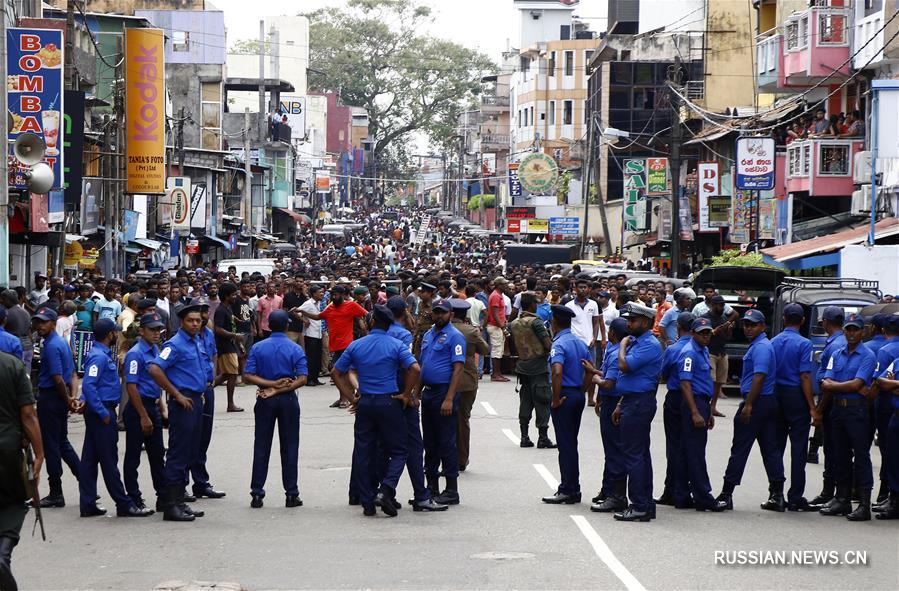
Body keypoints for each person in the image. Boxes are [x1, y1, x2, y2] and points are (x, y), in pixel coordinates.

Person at [333, 305, 420, 517]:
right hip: (389, 401)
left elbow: (336, 372)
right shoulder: (396, 344)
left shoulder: (356, 345)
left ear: (372, 322)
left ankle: (367, 501)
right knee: (399, 450)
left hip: (365, 402)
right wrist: (407, 394)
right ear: (390, 323)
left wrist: (351, 396)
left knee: (364, 451)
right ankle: (387, 488)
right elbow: (415, 369)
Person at [78, 318, 153, 518]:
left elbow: (89, 385)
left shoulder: (100, 354)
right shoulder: (99, 357)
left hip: (99, 409)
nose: (117, 336)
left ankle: (88, 502)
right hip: (102, 411)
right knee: (109, 460)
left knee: (89, 459)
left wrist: (85, 400)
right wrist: (101, 412)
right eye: (115, 333)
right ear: (110, 334)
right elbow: (89, 385)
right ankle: (123, 503)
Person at [715, 309, 785, 511]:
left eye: (752, 324)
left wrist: (749, 405)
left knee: (740, 450)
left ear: (763, 326)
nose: (747, 328)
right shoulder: (760, 345)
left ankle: (726, 494)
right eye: (746, 324)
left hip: (757, 402)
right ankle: (777, 495)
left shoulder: (762, 347)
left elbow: (759, 376)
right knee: (771, 450)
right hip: (765, 402)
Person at [384, 297, 447, 512]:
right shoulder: (402, 334)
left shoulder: (377, 335)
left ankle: (371, 493)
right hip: (401, 394)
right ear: (404, 313)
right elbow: (410, 367)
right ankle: (419, 494)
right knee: (413, 445)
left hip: (379, 395)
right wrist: (410, 393)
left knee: (380, 446)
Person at [149, 302, 210, 522]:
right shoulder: (174, 344)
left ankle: (180, 501)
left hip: (195, 401)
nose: (195, 324)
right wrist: (176, 394)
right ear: (182, 323)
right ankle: (170, 505)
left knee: (190, 452)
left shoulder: (196, 341)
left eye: (198, 320)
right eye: (191, 321)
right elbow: (155, 369)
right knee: (178, 453)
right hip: (182, 403)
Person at [243, 310, 308, 508]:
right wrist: (280, 388)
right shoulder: (295, 348)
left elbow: (248, 375)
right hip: (288, 400)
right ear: (287, 326)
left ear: (269, 326)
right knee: (290, 447)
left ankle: (257, 493)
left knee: (261, 445)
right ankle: (291, 493)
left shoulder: (258, 347)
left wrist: (270, 386)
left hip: (265, 398)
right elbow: (303, 378)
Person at [819, 314, 876, 521]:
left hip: (856, 410)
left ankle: (864, 504)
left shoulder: (868, 355)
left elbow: (857, 384)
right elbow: (825, 379)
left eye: (855, 329)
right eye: (848, 329)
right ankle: (842, 499)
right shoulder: (837, 352)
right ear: (844, 330)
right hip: (838, 410)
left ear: (863, 332)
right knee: (839, 455)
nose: (851, 333)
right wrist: (838, 386)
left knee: (861, 456)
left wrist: (835, 386)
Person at [613, 303, 663, 522]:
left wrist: (622, 344)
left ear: (645, 322)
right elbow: (631, 381)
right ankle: (646, 504)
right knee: (640, 455)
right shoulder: (639, 341)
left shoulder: (648, 344)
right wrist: (620, 403)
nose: (629, 324)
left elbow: (625, 367)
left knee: (633, 456)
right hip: (632, 401)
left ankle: (639, 505)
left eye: (632, 321)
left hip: (639, 404)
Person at [0, 347, 43, 591]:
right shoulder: (12, 365)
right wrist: (40, 453)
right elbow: (28, 414)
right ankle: (2, 556)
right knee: (13, 504)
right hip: (7, 451)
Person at [417, 298, 466, 505]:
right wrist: (416, 393)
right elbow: (423, 365)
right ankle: (432, 486)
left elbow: (458, 369)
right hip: (428, 393)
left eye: (443, 313)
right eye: (436, 312)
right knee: (430, 442)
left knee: (446, 442)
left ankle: (451, 489)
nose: (439, 316)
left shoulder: (455, 337)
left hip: (443, 393)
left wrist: (448, 398)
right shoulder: (428, 335)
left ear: (450, 314)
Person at [771, 303, 820, 512]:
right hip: (795, 396)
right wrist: (812, 406)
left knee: (776, 447)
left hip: (776, 394)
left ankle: (776, 493)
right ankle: (795, 496)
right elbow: (805, 375)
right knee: (798, 448)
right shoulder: (804, 344)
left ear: (783, 319)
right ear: (802, 321)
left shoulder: (773, 342)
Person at [541, 305, 591, 505]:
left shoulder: (559, 344)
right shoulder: (579, 343)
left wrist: (555, 398)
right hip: (576, 394)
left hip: (564, 396)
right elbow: (590, 369)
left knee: (566, 445)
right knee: (572, 443)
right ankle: (573, 488)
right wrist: (583, 391)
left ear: (554, 323)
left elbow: (557, 372)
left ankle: (567, 489)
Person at [676, 318, 727, 512]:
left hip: (701, 402)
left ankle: (682, 495)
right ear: (693, 333)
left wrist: (708, 410)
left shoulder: (703, 350)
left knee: (687, 451)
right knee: (696, 452)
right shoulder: (689, 353)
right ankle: (704, 497)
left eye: (707, 333)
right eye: (701, 333)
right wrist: (696, 412)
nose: (705, 336)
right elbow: (686, 384)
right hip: (693, 403)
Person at [33, 307, 80, 508]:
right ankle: (85, 480)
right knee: (62, 443)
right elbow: (72, 375)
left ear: (53, 323)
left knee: (52, 446)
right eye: (38, 322)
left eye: (44, 322)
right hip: (59, 398)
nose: (40, 326)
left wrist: (68, 398)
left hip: (52, 398)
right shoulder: (60, 342)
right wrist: (71, 398)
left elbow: (58, 378)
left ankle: (56, 492)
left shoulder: (52, 345)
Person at [123, 313, 168, 513]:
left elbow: (155, 380)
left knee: (157, 454)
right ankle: (134, 498)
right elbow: (131, 387)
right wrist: (143, 416)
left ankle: (163, 496)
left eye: (159, 329)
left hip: (152, 405)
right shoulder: (136, 353)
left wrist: (161, 406)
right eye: (152, 329)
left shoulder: (154, 349)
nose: (157, 333)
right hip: (137, 408)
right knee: (133, 456)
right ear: (141, 331)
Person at [583, 317, 628, 512]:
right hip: (609, 400)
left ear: (613, 334)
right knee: (610, 450)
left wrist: (595, 377)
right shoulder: (612, 348)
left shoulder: (616, 352)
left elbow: (609, 382)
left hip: (615, 401)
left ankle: (616, 496)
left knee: (614, 451)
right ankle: (607, 489)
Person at [298, 285, 367, 408]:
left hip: (347, 345)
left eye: (335, 294)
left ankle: (346, 398)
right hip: (335, 346)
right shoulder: (330, 308)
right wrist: (303, 312)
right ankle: (344, 397)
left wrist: (363, 327)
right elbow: (318, 316)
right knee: (338, 373)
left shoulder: (351, 305)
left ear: (342, 294)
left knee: (341, 373)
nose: (332, 297)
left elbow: (365, 314)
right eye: (331, 294)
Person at [656, 312, 695, 507]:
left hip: (676, 396)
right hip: (694, 398)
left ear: (679, 327)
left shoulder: (674, 349)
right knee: (688, 446)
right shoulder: (698, 347)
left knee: (674, 447)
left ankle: (673, 490)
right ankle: (681, 489)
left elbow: (663, 374)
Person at [808, 307, 847, 507]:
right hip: (835, 400)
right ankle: (833, 492)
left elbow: (830, 383)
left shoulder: (834, 345)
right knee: (835, 449)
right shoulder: (840, 342)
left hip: (831, 401)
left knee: (832, 449)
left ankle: (829, 492)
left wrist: (819, 410)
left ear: (825, 322)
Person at [191, 298, 226, 500]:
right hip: (190, 393)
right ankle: (181, 485)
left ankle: (201, 482)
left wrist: (211, 377)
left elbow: (213, 355)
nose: (202, 317)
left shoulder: (209, 334)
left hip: (207, 389)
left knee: (204, 438)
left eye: (204, 312)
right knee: (188, 440)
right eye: (197, 312)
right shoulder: (182, 339)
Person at [510, 292, 555, 449]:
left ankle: (524, 436)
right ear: (532, 305)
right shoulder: (537, 322)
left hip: (523, 366)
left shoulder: (514, 323)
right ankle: (543, 437)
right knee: (542, 400)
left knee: (525, 400)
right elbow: (548, 345)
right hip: (538, 367)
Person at [450, 299, 489, 471]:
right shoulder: (471, 331)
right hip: (466, 381)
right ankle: (461, 459)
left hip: (444, 380)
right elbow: (485, 350)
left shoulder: (440, 330)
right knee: (462, 421)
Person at [872, 315, 899, 508]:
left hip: (886, 407)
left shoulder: (885, 350)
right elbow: (883, 380)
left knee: (889, 452)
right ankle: (889, 496)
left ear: (882, 329)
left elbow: (879, 384)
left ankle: (886, 495)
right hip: (893, 405)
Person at [566, 278, 604, 406]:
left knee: (591, 370)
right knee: (573, 369)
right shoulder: (569, 305)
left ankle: (590, 398)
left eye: (585, 287)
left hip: (590, 343)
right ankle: (576, 394)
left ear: (589, 289)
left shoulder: (593, 304)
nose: (583, 289)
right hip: (574, 343)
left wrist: (594, 337)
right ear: (575, 289)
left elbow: (596, 322)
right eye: (580, 287)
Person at [213, 283, 243, 412]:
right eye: (233, 294)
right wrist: (235, 336)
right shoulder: (220, 310)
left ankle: (204, 389)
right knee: (232, 374)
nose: (235, 296)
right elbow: (217, 329)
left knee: (227, 374)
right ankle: (230, 404)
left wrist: (239, 343)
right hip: (224, 346)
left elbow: (232, 326)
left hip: (231, 344)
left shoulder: (228, 308)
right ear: (226, 296)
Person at [701, 295, 734, 411]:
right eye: (718, 305)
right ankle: (705, 406)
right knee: (710, 381)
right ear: (712, 305)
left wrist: (729, 330)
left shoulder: (724, 318)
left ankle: (713, 407)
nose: (721, 307)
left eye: (722, 305)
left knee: (719, 382)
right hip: (709, 352)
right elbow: (701, 336)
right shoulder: (705, 318)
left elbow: (727, 338)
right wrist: (715, 332)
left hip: (722, 352)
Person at [298, 285, 325, 387]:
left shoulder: (319, 303)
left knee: (318, 357)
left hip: (318, 333)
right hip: (310, 334)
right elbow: (295, 311)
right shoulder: (308, 304)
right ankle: (309, 379)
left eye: (322, 292)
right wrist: (304, 320)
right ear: (314, 294)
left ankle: (315, 378)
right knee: (311, 357)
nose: (322, 294)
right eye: (320, 292)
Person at [485, 278, 509, 382]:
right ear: (498, 285)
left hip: (498, 326)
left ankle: (498, 373)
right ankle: (495, 374)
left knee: (499, 351)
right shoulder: (495, 296)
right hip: (496, 327)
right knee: (496, 351)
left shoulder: (498, 295)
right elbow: (494, 314)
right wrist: (503, 327)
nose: (506, 286)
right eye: (504, 284)